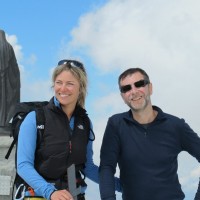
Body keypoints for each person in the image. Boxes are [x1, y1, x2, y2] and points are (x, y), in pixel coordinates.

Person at [17, 60, 121, 200]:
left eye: (70, 84)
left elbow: (88, 167)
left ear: (81, 88)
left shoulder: (84, 122)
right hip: (40, 195)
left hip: (74, 195)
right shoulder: (36, 118)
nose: (63, 88)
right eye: (59, 82)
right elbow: (23, 165)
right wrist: (51, 192)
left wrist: (121, 186)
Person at [99, 67, 200, 200]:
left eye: (139, 84)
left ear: (150, 88)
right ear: (123, 96)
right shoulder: (115, 124)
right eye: (126, 88)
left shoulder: (176, 126)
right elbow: (107, 166)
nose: (133, 91)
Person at [0, 29, 20, 130]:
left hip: (4, 80)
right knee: (6, 100)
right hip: (6, 81)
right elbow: (14, 67)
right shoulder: (8, 47)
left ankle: (2, 121)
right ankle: (3, 120)